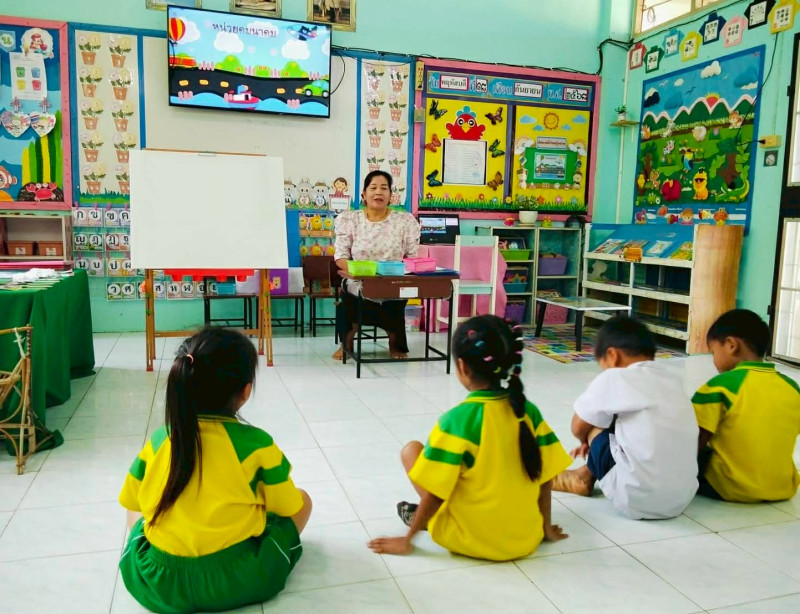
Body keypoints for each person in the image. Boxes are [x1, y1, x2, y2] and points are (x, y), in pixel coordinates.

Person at [118, 328, 312, 613]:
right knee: (304, 500)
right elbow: (289, 506)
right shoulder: (257, 445)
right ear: (245, 391)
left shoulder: (162, 439)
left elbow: (132, 501)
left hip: (160, 583)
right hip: (241, 578)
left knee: (138, 517)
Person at [368, 315, 572, 560]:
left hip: (468, 540)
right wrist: (545, 528)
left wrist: (407, 539)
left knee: (411, 450)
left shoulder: (456, 421)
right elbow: (546, 478)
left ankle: (424, 519)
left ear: (462, 367)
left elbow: (435, 491)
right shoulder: (528, 412)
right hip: (525, 540)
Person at [552, 317, 698, 520]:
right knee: (623, 422)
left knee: (595, 425)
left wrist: (585, 440)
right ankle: (584, 473)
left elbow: (577, 425)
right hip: (681, 499)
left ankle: (582, 478)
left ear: (612, 355)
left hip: (635, 498)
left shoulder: (615, 376)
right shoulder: (672, 379)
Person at [693, 309, 800, 502]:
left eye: (713, 352)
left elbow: (694, 437)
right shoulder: (792, 387)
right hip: (782, 487)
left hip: (729, 487)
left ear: (731, 345)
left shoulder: (721, 386)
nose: (713, 361)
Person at [333, 170, 420, 360]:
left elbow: (412, 257)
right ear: (364, 194)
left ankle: (396, 343)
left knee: (396, 297)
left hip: (393, 281)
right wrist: (360, 272)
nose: (378, 192)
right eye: (373, 188)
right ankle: (346, 343)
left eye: (384, 188)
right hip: (359, 280)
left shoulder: (405, 221)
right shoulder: (350, 220)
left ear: (391, 195)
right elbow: (340, 257)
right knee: (348, 301)